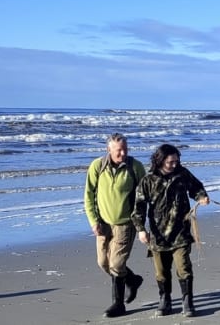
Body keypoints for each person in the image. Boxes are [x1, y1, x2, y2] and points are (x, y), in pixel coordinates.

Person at [132, 144, 210, 317]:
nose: (175, 164)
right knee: (161, 271)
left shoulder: (182, 174)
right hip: (158, 235)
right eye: (170, 162)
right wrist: (141, 230)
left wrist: (202, 196)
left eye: (177, 161)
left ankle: (187, 302)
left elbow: (196, 187)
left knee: (184, 267)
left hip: (181, 231)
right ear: (160, 160)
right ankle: (165, 300)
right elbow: (139, 207)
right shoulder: (148, 180)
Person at [83, 132, 146, 318]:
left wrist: (141, 223)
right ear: (108, 149)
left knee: (117, 264)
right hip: (103, 224)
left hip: (126, 224)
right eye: (119, 150)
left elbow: (144, 195)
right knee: (103, 263)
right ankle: (132, 280)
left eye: (125, 149)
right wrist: (93, 221)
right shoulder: (97, 166)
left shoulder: (135, 167)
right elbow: (89, 196)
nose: (123, 153)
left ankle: (118, 305)